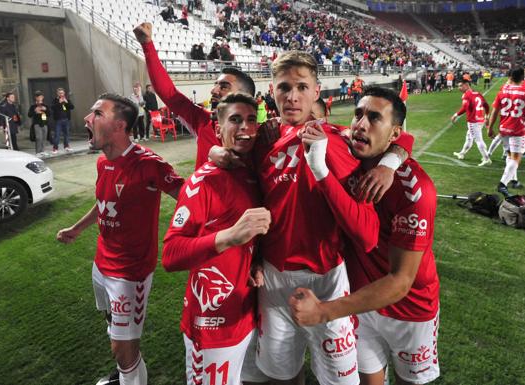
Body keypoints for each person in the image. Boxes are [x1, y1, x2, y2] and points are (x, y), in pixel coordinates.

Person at [253, 51, 413, 385]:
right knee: (281, 375)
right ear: (272, 90)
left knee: (341, 379)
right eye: (284, 87)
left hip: (326, 279)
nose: (292, 96)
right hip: (273, 278)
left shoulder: (338, 141)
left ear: (316, 91)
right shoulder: (262, 141)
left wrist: (390, 162)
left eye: (301, 87)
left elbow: (398, 140)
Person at [289, 85, 440, 385]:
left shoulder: (416, 192)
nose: (360, 124)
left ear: (394, 134)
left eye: (374, 118)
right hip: (360, 301)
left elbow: (400, 282)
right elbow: (317, 126)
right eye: (358, 114)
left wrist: (323, 312)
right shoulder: (349, 147)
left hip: (410, 310)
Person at [56, 93, 184, 385]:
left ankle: (130, 375)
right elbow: (104, 202)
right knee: (112, 328)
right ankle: (128, 374)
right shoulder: (103, 163)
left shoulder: (149, 164)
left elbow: (188, 197)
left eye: (97, 114)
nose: (87, 119)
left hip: (130, 273)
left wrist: (184, 232)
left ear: (120, 126)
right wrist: (77, 228)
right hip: (101, 264)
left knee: (122, 350)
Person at [162, 92, 270, 385]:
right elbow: (170, 255)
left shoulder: (250, 173)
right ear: (218, 129)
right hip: (210, 321)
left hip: (244, 310)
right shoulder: (203, 182)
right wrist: (230, 236)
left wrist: (255, 260)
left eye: (251, 120)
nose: (245, 128)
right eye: (235, 120)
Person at [134, 22, 256, 170]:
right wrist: (147, 45)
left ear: (244, 96)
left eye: (224, 86)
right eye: (215, 84)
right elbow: (169, 94)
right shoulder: (202, 120)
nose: (214, 90)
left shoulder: (263, 135)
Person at [487, 67, 525, 196]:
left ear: (510, 77)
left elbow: (495, 112)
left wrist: (490, 128)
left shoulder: (502, 91)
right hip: (518, 130)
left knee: (509, 156)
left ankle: (514, 180)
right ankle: (502, 184)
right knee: (516, 158)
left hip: (504, 129)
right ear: (522, 78)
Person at [451, 80, 492, 166]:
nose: (459, 88)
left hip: (473, 121)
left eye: (460, 86)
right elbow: (486, 105)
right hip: (480, 119)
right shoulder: (477, 93)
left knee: (478, 140)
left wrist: (456, 115)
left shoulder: (466, 95)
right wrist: (487, 116)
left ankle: (486, 158)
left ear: (466, 85)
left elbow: (465, 107)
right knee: (469, 137)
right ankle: (462, 153)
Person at [51, 88, 74, 153]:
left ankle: (66, 146)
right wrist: (59, 102)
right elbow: (53, 108)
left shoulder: (66, 100)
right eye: (60, 93)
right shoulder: (55, 100)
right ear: (57, 94)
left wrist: (66, 102)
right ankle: (55, 148)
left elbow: (72, 107)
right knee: (57, 135)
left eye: (62, 93)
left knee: (66, 134)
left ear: (64, 93)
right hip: (58, 120)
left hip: (66, 119)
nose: (61, 94)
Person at [27, 90, 50, 157]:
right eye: (37, 97)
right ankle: (38, 152)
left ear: (42, 97)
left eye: (40, 96)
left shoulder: (45, 106)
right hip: (37, 123)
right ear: (35, 98)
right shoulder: (33, 106)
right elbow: (29, 115)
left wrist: (45, 110)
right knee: (38, 137)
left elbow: (49, 114)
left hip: (45, 123)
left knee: (44, 137)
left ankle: (43, 151)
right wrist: (35, 111)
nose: (39, 98)